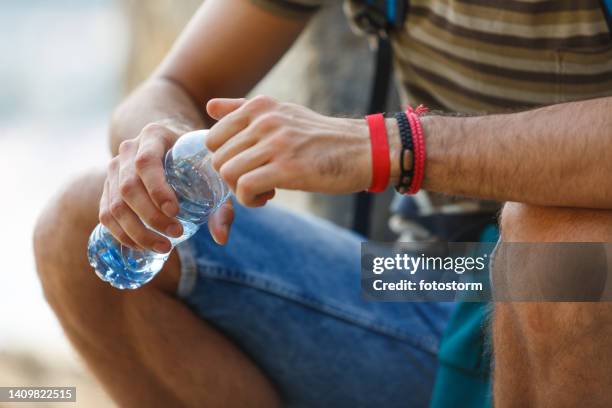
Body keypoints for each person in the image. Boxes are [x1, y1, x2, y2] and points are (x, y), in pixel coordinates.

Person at [34, 0, 612, 406]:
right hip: (425, 276)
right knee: (79, 221)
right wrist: (171, 148)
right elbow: (169, 89)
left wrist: (388, 146)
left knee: (559, 254)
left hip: (576, 283)